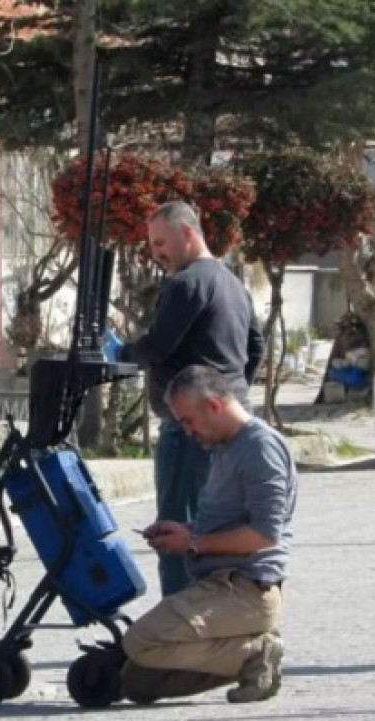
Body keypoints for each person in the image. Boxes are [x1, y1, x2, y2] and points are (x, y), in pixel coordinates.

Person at [110, 200, 264, 597]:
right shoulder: (233, 285)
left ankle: (178, 624)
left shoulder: (187, 282)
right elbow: (256, 347)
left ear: (188, 233)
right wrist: (229, 395)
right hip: (231, 420)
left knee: (177, 529)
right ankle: (217, 619)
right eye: (152, 244)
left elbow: (158, 346)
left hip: (189, 427)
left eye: (161, 241)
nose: (156, 252)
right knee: (219, 526)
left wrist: (120, 354)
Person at [121, 365, 296, 704]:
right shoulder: (225, 447)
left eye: (188, 421)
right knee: (137, 681)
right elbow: (228, 524)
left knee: (140, 643)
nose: (187, 432)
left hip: (244, 590)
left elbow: (264, 535)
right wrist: (187, 531)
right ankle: (244, 653)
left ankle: (256, 652)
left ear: (214, 406)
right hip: (218, 584)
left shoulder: (259, 448)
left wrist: (193, 542)